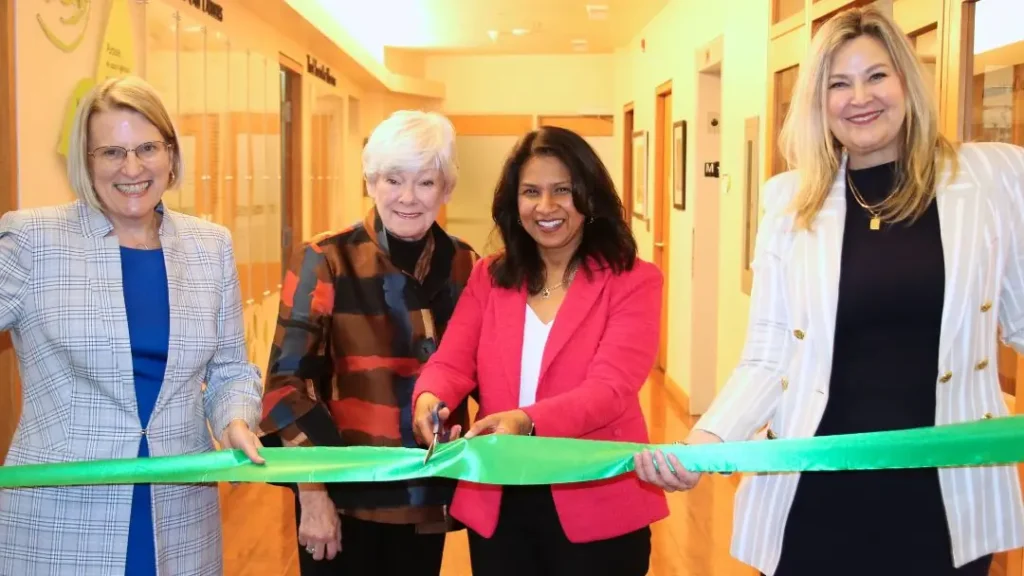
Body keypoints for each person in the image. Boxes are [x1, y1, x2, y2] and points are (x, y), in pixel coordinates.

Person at [634, 6, 1024, 576]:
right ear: (819, 102)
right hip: (817, 490)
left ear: (907, 83)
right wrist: (704, 442)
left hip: (944, 497)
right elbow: (768, 354)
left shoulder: (989, 181)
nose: (858, 97)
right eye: (838, 83)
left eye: (876, 76)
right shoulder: (790, 202)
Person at [0, 75, 264, 576]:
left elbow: (230, 368)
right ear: (87, 160)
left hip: (180, 513)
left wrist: (235, 420)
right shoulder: (33, 240)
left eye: (147, 148)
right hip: (60, 518)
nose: (133, 168)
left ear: (170, 152)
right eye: (112, 152)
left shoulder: (211, 246)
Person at [411, 125, 668, 576]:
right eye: (531, 192)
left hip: (596, 503)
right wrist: (430, 399)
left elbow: (610, 390)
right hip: (501, 501)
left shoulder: (633, 280)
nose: (545, 207)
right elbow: (451, 362)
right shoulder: (490, 276)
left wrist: (526, 421)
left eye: (562, 191)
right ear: (514, 203)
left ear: (589, 198)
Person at [257, 110, 478, 576]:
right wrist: (312, 492)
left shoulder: (466, 263)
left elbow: (480, 368)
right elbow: (284, 385)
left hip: (425, 494)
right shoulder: (327, 258)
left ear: (447, 188)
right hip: (341, 496)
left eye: (426, 182)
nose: (407, 198)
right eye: (393, 180)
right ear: (371, 182)